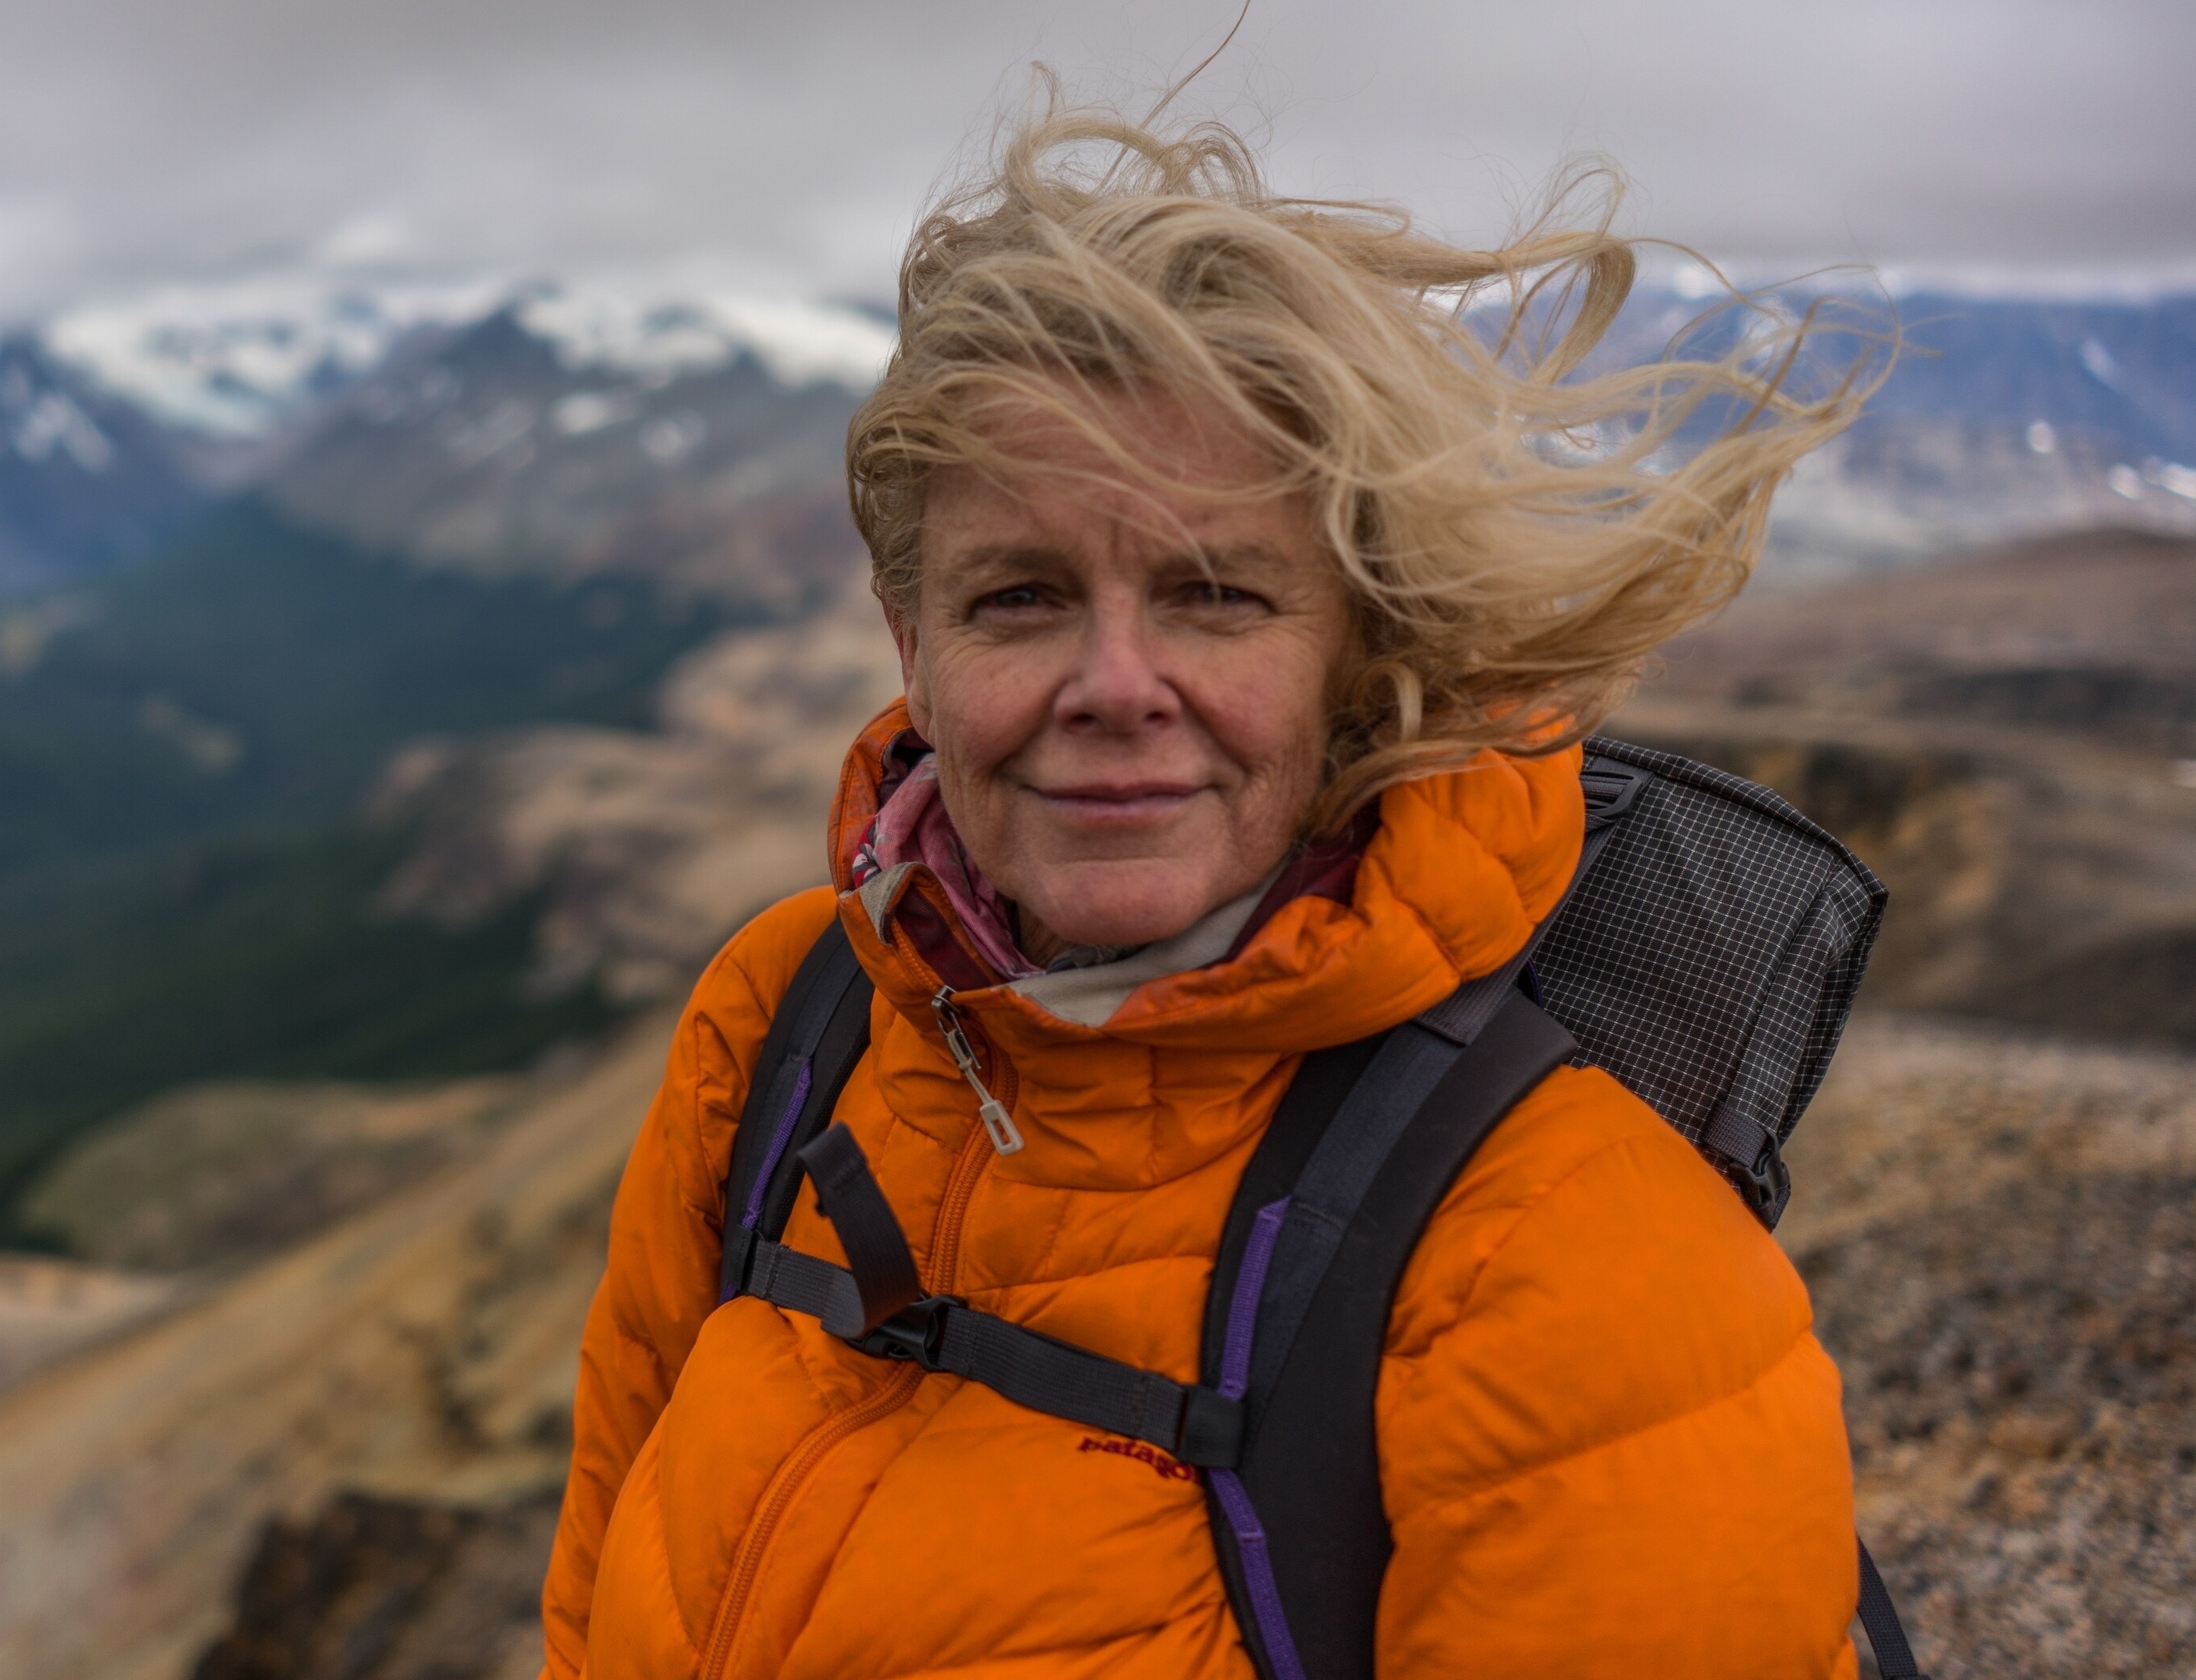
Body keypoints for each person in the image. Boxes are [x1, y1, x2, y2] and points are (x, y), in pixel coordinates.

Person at [538, 99, 1872, 1678]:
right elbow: (599, 1577)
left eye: (1214, 594)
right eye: (1016, 596)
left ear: (1355, 659)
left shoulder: (1571, 1266)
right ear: (911, 648)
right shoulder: (784, 1017)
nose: (1115, 683)